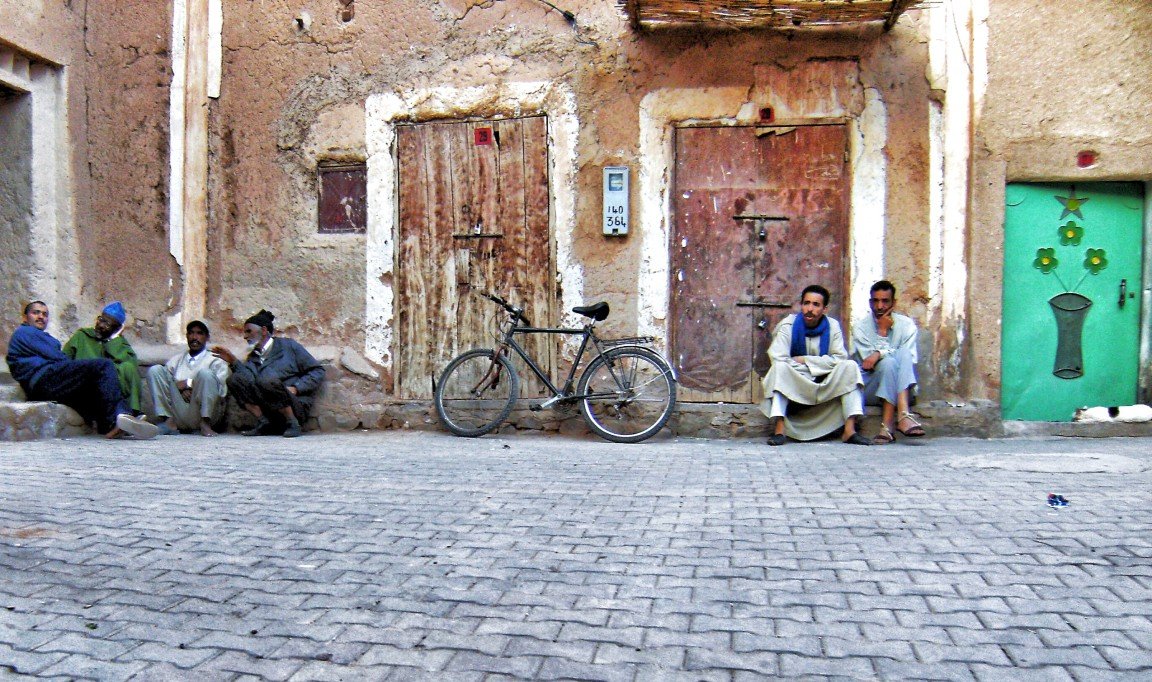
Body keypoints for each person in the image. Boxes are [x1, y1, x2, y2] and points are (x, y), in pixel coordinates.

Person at [5, 300, 157, 439]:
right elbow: (58, 357)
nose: (41, 317)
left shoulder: (42, 337)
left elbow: (128, 364)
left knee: (96, 388)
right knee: (103, 366)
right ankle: (117, 419)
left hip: (50, 380)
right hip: (43, 379)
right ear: (25, 318)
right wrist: (81, 369)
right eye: (35, 313)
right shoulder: (24, 332)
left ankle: (117, 423)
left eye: (45, 314)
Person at [759, 285, 870, 446]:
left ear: (824, 309)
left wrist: (806, 360)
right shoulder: (788, 325)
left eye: (816, 305)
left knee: (850, 367)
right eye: (806, 303)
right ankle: (779, 429)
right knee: (780, 369)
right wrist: (809, 369)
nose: (810, 309)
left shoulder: (832, 326)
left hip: (824, 381)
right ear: (801, 305)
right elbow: (778, 357)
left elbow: (840, 357)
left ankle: (850, 430)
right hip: (796, 381)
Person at [211, 309, 325, 438]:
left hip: (295, 406)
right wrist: (233, 361)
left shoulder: (288, 346)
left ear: (264, 331)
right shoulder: (253, 356)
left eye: (249, 331)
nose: (245, 336)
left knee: (267, 379)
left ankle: (292, 423)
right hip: (270, 410)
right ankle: (263, 422)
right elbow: (247, 380)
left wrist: (297, 388)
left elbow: (317, 371)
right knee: (234, 380)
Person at [851, 280, 926, 444]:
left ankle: (890, 424)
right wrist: (883, 332)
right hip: (871, 389)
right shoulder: (860, 328)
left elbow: (910, 359)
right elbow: (868, 363)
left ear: (894, 303)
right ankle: (903, 416)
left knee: (903, 354)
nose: (880, 306)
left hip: (902, 387)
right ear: (870, 303)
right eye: (876, 301)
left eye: (885, 301)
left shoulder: (906, 326)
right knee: (887, 363)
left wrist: (878, 353)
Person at [147, 320, 231, 437]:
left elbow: (221, 390)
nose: (194, 337)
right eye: (191, 333)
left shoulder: (216, 360)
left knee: (206, 374)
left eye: (199, 333)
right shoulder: (176, 360)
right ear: (186, 336)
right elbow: (166, 383)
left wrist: (189, 383)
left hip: (202, 412)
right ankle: (168, 422)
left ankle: (205, 424)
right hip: (179, 412)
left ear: (207, 337)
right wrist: (179, 388)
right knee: (155, 370)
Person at [63, 301, 143, 414]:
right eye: (101, 319)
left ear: (117, 329)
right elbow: (64, 360)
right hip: (84, 386)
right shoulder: (82, 336)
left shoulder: (120, 344)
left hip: (108, 390)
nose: (101, 325)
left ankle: (132, 414)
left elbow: (131, 368)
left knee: (128, 367)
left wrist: (113, 339)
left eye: (107, 324)